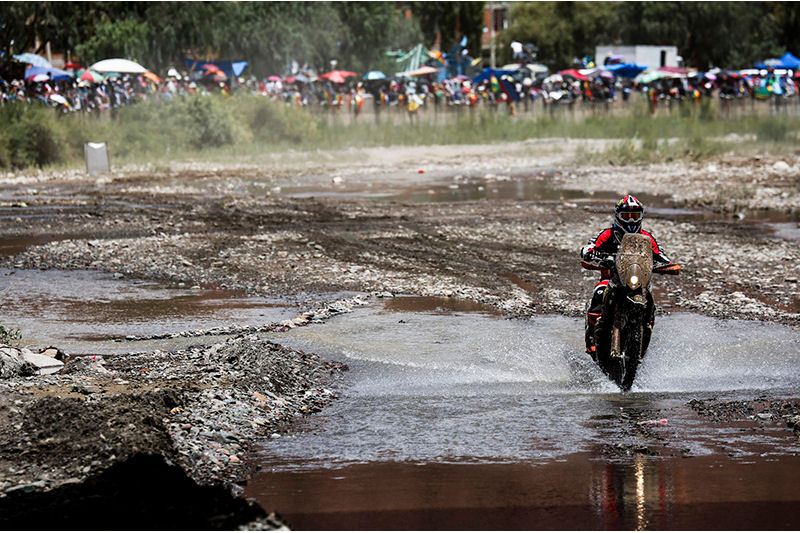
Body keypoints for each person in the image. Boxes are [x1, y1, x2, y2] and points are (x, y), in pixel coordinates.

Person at [580, 195, 673, 355]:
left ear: (641, 216)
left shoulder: (646, 237)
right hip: (611, 279)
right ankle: (591, 339)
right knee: (599, 293)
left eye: (634, 216)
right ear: (618, 216)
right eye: (626, 216)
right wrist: (592, 254)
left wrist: (666, 264)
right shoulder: (608, 234)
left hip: (638, 281)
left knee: (650, 299)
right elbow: (588, 248)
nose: (630, 221)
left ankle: (646, 328)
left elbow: (661, 255)